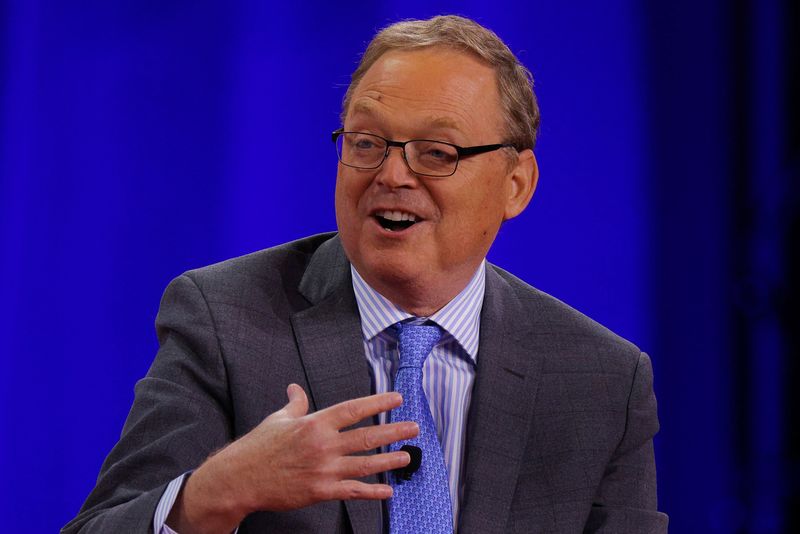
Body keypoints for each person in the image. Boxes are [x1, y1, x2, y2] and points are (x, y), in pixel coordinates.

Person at [63, 15, 668, 534]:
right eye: (367, 142)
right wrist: (215, 492)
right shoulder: (226, 321)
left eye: (437, 152)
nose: (392, 175)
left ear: (516, 184)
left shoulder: (602, 381)